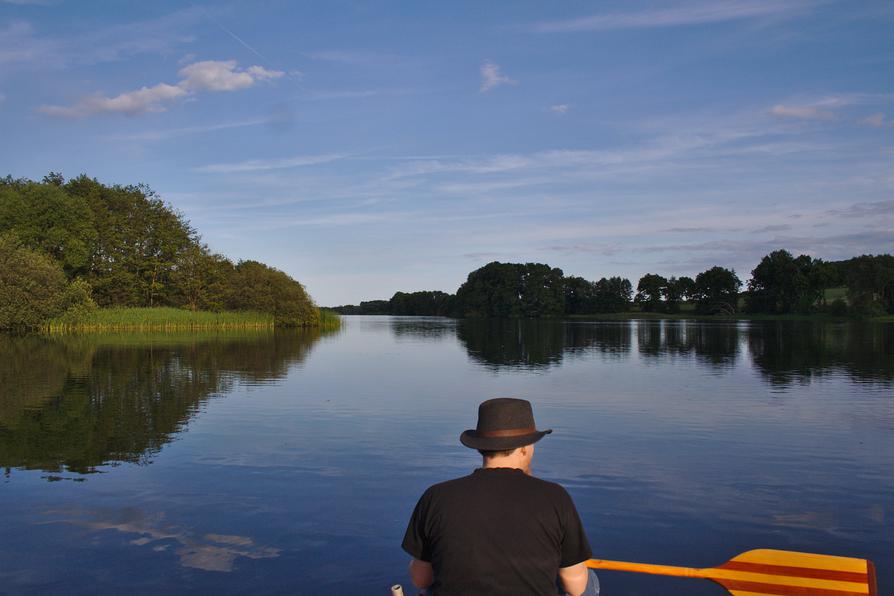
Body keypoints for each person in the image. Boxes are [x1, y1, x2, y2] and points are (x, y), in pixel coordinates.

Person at [401, 398, 599, 595]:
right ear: (525, 448)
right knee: (589, 583)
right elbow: (575, 586)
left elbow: (420, 580)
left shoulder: (436, 497)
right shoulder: (556, 497)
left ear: (481, 447)